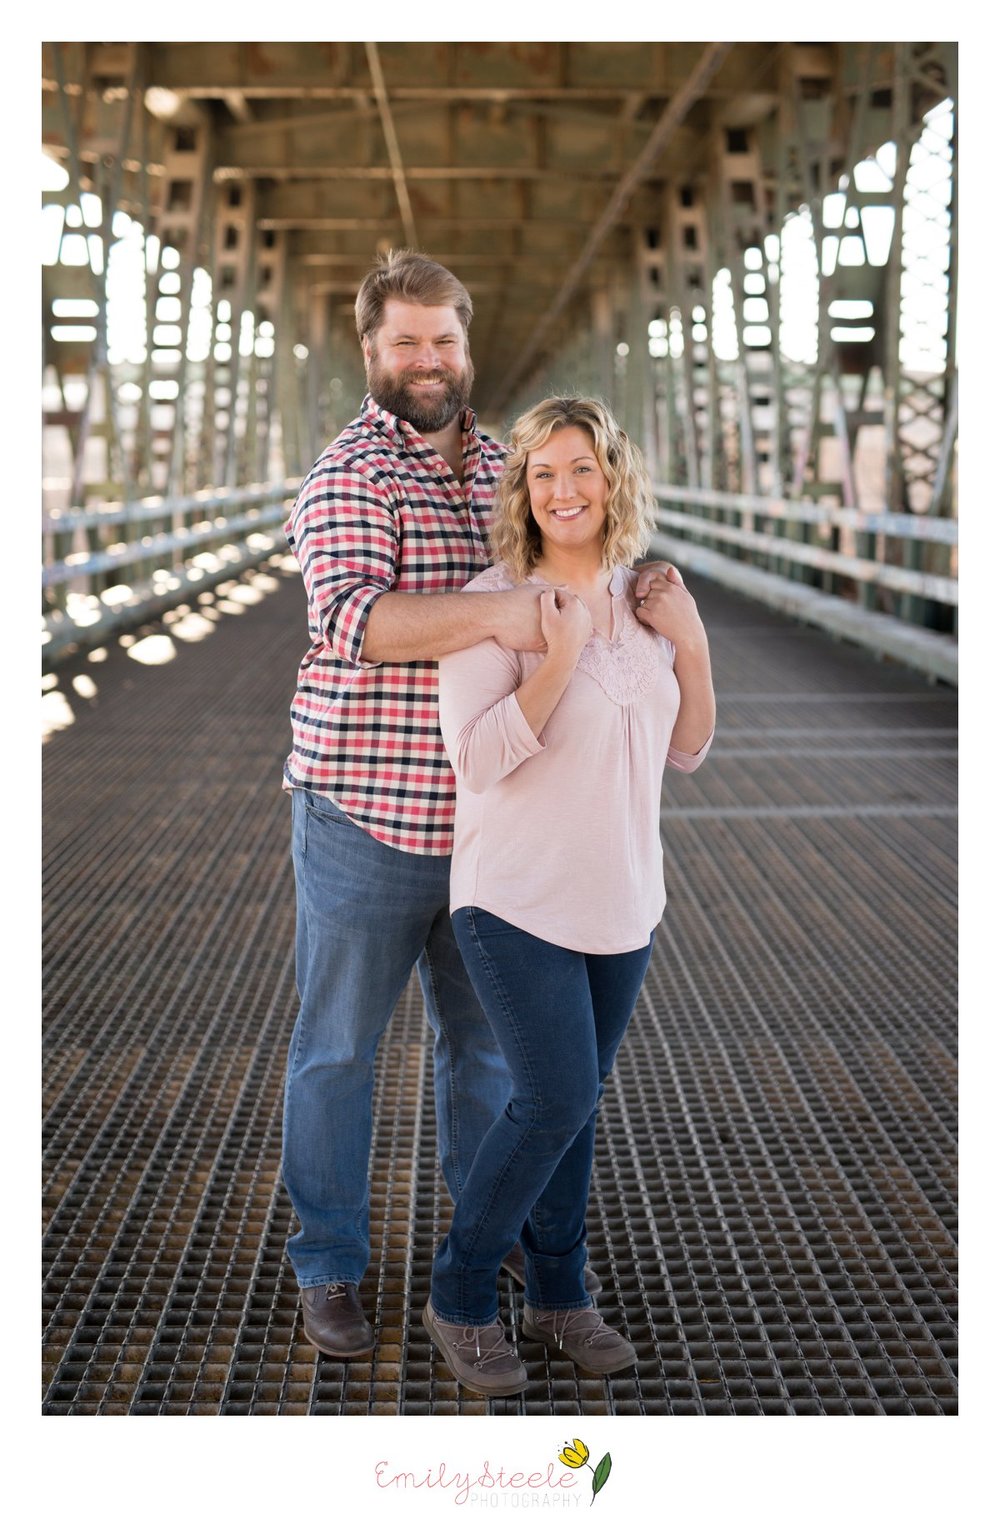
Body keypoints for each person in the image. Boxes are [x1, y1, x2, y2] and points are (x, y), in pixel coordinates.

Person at [283, 254, 627, 1358]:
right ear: (370, 351)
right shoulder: (347, 476)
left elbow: (576, 537)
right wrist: (506, 620)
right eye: (403, 343)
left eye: (442, 341)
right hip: (368, 817)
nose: (425, 361)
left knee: (489, 1056)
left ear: (465, 346)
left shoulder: (501, 465)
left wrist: (649, 605)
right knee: (338, 1048)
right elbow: (356, 622)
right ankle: (330, 1262)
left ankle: (497, 1234)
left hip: (501, 824)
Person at [422, 396, 715, 1396]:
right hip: (513, 897)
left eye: (580, 467)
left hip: (623, 899)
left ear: (612, 476)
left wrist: (692, 642)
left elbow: (688, 747)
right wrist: (553, 655)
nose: (563, 490)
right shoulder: (495, 602)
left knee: (575, 1108)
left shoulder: (651, 595)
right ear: (522, 490)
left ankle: (558, 1294)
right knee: (552, 1097)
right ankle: (460, 1295)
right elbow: (481, 759)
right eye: (543, 472)